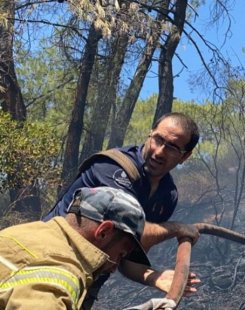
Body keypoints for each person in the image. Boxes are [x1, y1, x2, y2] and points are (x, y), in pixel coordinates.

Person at [43, 112, 201, 309]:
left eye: (172, 147)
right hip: (49, 264)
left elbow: (127, 253)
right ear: (150, 134)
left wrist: (155, 277)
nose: (159, 152)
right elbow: (127, 232)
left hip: (87, 284)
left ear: (185, 156)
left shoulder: (167, 196)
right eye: (158, 139)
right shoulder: (113, 169)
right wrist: (176, 229)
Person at [0, 187, 149, 310]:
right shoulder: (59, 277)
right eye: (120, 254)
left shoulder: (23, 233)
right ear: (103, 232)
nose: (114, 267)